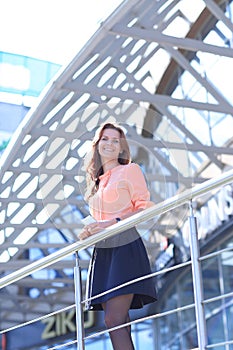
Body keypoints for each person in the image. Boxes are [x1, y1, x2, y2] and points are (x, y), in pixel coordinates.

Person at [79, 122, 157, 350]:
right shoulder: (96, 182)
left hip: (125, 244)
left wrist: (111, 223)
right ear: (97, 144)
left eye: (116, 140)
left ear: (122, 147)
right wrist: (91, 229)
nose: (110, 144)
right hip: (103, 251)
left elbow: (145, 207)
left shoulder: (130, 170)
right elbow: (101, 219)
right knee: (120, 321)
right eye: (105, 139)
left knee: (113, 320)